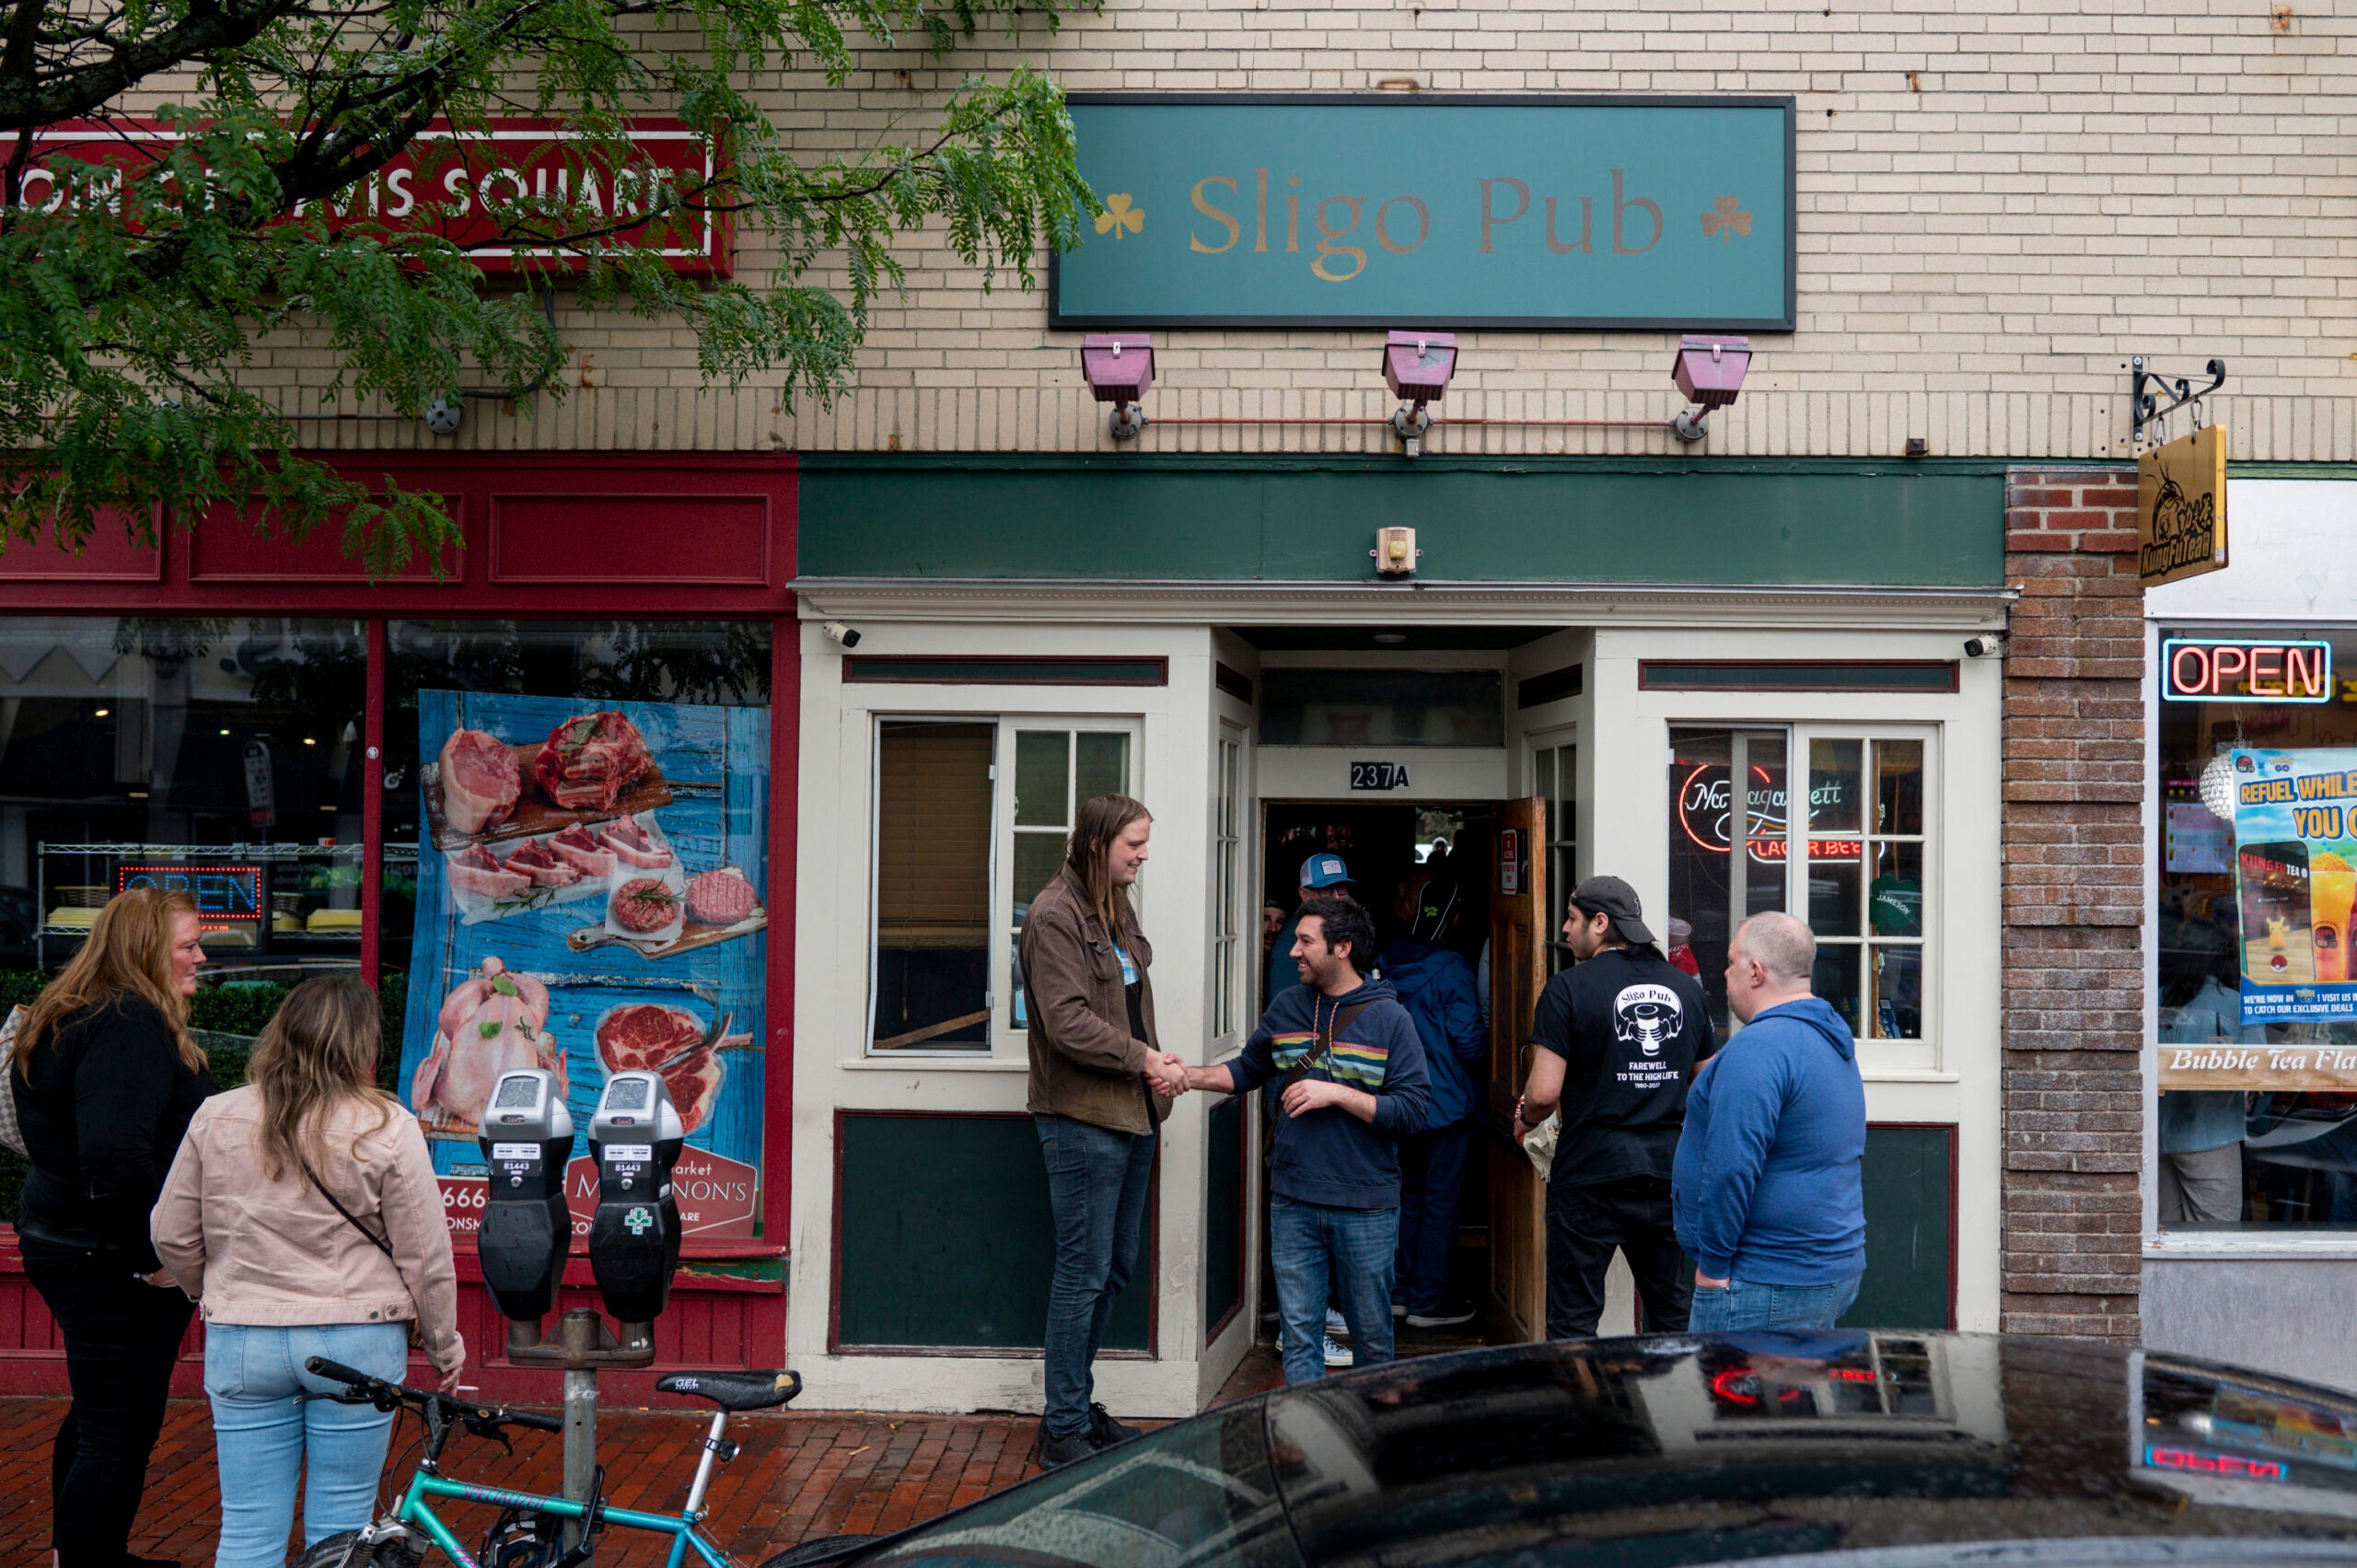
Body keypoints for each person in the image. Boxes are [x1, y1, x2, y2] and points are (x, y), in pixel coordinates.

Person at [151, 974, 463, 1568]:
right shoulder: (386, 1126)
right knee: (343, 1528)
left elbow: (169, 1232)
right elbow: (425, 1255)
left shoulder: (217, 1116)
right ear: (362, 1045)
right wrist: (444, 1345)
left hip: (243, 1338)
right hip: (356, 1338)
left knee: (246, 1529)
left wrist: (208, 1290)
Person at [7, 887, 212, 1568]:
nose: (200, 957)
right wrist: (161, 1252)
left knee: (99, 1413)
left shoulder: (72, 1010)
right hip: (108, 1255)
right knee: (119, 1428)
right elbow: (115, 1156)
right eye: (186, 945)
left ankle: (84, 1551)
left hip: (64, 1235)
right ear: (146, 950)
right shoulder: (129, 1021)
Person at [1183, 895, 1430, 1385]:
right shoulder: (1288, 1006)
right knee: (1300, 1338)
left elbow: (1414, 1110)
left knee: (1373, 1340)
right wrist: (1186, 1076)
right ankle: (1306, 1449)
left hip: (1366, 1205)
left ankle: (1369, 1445)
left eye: (1304, 941)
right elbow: (1246, 1070)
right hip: (1293, 1199)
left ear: (1342, 948)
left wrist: (1336, 1093)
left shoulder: (1390, 1019)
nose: (1292, 951)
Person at [1019, 794, 1187, 1469]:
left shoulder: (1114, 907)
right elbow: (1066, 1023)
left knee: (1113, 1268)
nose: (1144, 856)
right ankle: (1062, 1428)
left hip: (1133, 1112)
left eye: (1145, 844)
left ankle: (1074, 1405)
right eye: (1134, 845)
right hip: (1082, 1117)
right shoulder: (1053, 915)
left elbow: (1128, 1004)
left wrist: (1159, 1063)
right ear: (1097, 843)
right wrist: (1145, 1058)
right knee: (1083, 1271)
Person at [1513, 876, 1709, 1340]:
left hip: (1590, 1173)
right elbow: (1710, 1084)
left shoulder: (1567, 989)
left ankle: (1585, 1411)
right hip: (1666, 1171)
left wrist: (1523, 1120)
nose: (1564, 929)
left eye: (1571, 918)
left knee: (1574, 1319)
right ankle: (1672, 1407)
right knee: (1670, 1310)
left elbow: (1542, 1093)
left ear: (1600, 923)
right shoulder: (1686, 989)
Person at [1673, 911, 1868, 1331]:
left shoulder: (1759, 1047)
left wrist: (1713, 1266)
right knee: (1792, 1398)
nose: (1725, 974)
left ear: (1756, 972)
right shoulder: (1827, 1035)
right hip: (1826, 1267)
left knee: (1725, 1397)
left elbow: (1731, 1167)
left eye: (1731, 962)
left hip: (1765, 1279)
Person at [1378, 873, 1486, 1328]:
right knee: (1442, 1203)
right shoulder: (1454, 968)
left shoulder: (1385, 959)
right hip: (1444, 1105)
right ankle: (1427, 1302)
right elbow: (1470, 1045)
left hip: (1398, 1103)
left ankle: (1400, 1293)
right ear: (1455, 918)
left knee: (1408, 1198)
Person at [1267, 853, 1353, 1009]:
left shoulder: (1339, 931)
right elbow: (1286, 1012)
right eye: (1326, 889)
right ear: (1304, 894)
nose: (1336, 897)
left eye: (1341, 888)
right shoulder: (1292, 942)